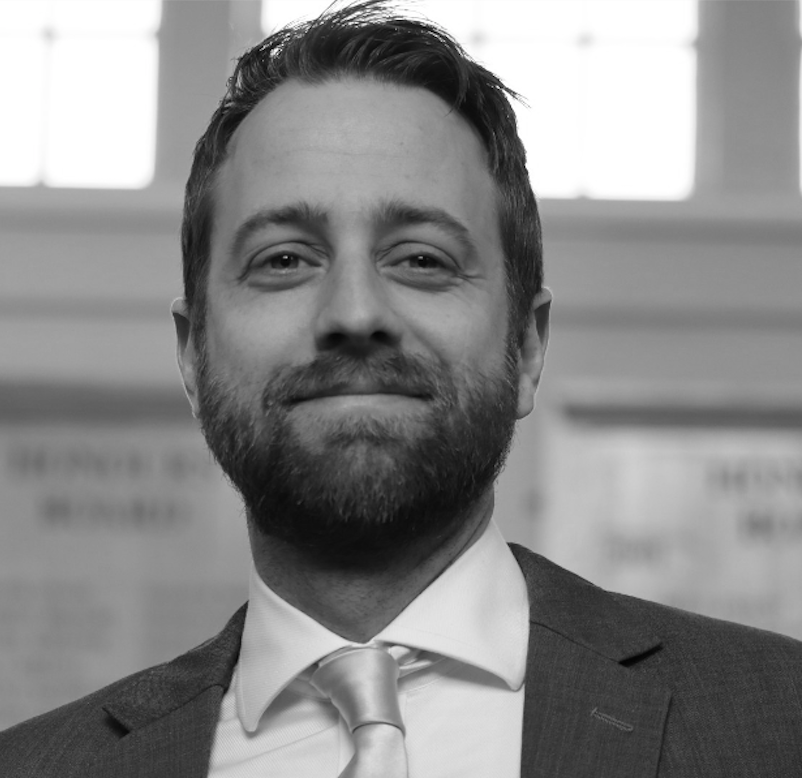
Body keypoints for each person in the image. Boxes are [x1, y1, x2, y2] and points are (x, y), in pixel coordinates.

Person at [2, 2, 802, 776]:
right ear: (192, 353)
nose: (354, 314)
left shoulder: (779, 722)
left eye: (422, 259)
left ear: (527, 345)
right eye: (284, 259)